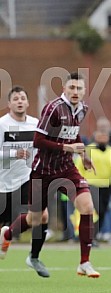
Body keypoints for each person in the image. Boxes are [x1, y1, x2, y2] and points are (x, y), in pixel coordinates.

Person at [0, 72, 100, 278]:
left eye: (79, 88)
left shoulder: (82, 109)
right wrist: (68, 148)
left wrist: (83, 154)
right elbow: (38, 141)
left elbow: (73, 133)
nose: (75, 92)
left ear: (84, 91)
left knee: (87, 206)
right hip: (42, 172)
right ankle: (7, 234)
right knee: (36, 218)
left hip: (66, 169)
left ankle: (84, 262)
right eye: (71, 87)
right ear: (64, 88)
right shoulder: (53, 108)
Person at [0, 86, 50, 277]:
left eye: (22, 98)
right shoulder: (2, 124)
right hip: (3, 181)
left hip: (26, 177)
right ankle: (7, 235)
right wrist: (14, 154)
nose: (19, 101)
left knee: (42, 216)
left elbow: (42, 148)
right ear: (9, 104)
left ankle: (34, 257)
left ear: (28, 103)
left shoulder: (35, 124)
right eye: (15, 99)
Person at [75, 117, 111, 241]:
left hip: (106, 186)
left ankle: (94, 236)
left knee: (102, 212)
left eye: (105, 136)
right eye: (100, 135)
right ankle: (87, 236)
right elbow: (78, 166)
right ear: (95, 136)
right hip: (91, 185)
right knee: (95, 211)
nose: (103, 138)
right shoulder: (89, 150)